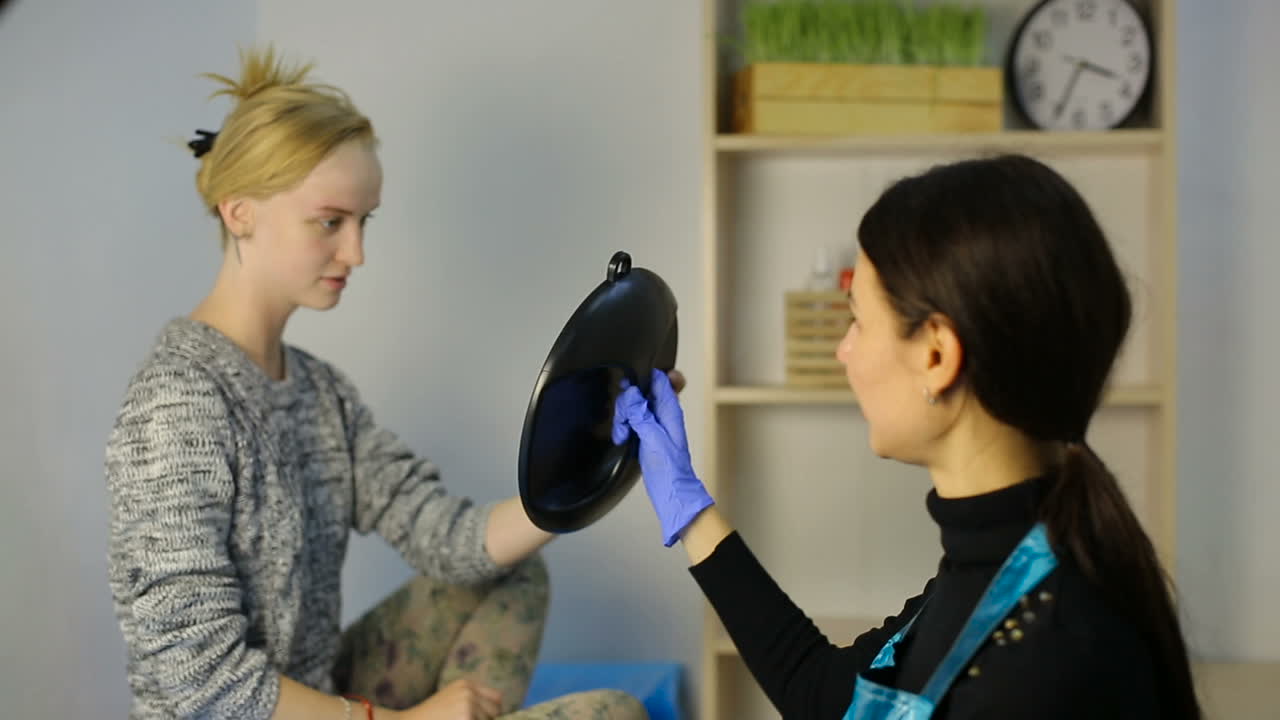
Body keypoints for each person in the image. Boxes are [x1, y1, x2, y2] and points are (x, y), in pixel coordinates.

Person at [105, 47, 649, 720]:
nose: (356, 252)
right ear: (239, 211)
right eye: (330, 221)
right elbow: (196, 677)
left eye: (365, 222)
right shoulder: (178, 403)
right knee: (617, 714)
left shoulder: (319, 391)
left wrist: (594, 456)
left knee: (515, 574)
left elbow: (447, 537)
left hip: (315, 691)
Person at [614, 154, 1202, 718]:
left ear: (938, 354)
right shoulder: (1004, 562)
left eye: (859, 321)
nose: (844, 350)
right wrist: (689, 511)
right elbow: (830, 698)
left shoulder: (1048, 662)